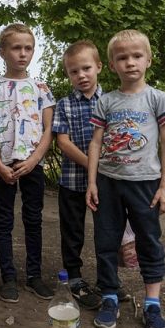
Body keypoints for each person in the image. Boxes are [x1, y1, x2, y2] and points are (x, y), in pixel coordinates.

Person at [86, 29, 165, 328]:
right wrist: (92, 182)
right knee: (106, 242)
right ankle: (109, 297)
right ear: (111, 65)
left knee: (149, 241)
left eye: (137, 56)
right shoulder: (106, 102)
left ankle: (153, 303)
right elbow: (95, 143)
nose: (130, 63)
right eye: (122, 58)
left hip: (145, 184)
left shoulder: (158, 99)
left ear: (148, 59)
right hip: (108, 183)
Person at [0, 23, 56, 304]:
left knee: (33, 220)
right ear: (2, 52)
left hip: (33, 165)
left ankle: (34, 276)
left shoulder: (41, 88)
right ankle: (8, 277)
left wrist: (35, 159)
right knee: (4, 220)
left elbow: (49, 130)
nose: (23, 54)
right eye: (16, 48)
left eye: (28, 48)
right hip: (5, 166)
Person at [51, 40, 104, 310]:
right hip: (72, 181)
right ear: (68, 74)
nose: (81, 75)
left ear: (99, 67)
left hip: (106, 183)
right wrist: (92, 164)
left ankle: (107, 280)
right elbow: (63, 142)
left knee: (107, 231)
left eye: (86, 68)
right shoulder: (64, 105)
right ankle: (74, 278)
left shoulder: (112, 101)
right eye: (74, 71)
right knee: (72, 231)